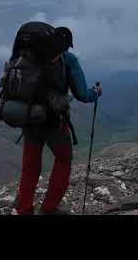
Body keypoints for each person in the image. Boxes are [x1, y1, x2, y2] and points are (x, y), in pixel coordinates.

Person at [15, 26, 102, 215]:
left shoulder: (30, 56)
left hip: (28, 119)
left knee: (30, 169)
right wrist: (95, 93)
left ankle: (23, 209)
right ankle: (48, 208)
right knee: (63, 159)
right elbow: (81, 94)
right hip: (53, 121)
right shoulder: (68, 60)